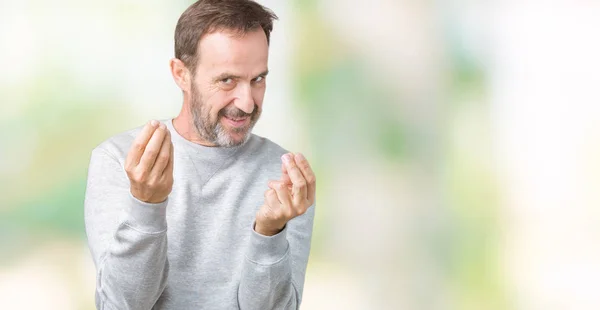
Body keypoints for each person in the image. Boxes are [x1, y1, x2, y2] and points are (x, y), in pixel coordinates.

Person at [83, 1, 316, 309]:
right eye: (227, 80)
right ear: (181, 74)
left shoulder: (284, 178)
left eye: (258, 79)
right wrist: (146, 206)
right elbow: (122, 305)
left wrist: (270, 233)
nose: (247, 103)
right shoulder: (118, 161)